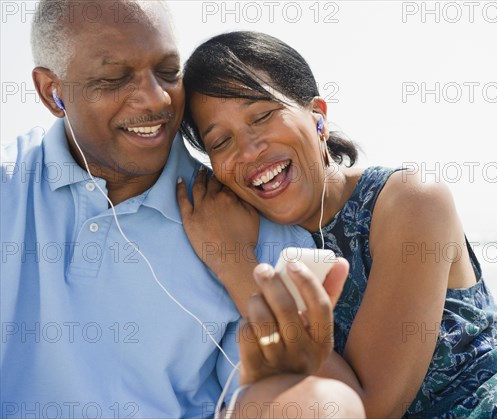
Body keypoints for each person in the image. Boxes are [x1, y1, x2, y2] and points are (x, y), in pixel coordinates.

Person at [178, 31, 497, 418]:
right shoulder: (253, 229)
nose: (248, 150)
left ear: (318, 117)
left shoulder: (411, 200)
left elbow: (370, 409)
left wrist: (235, 265)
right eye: (220, 142)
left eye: (262, 116)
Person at [1, 3, 365, 418]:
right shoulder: (8, 188)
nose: (157, 99)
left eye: (168, 72)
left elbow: (297, 399)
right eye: (115, 77)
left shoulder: (255, 234)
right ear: (52, 91)